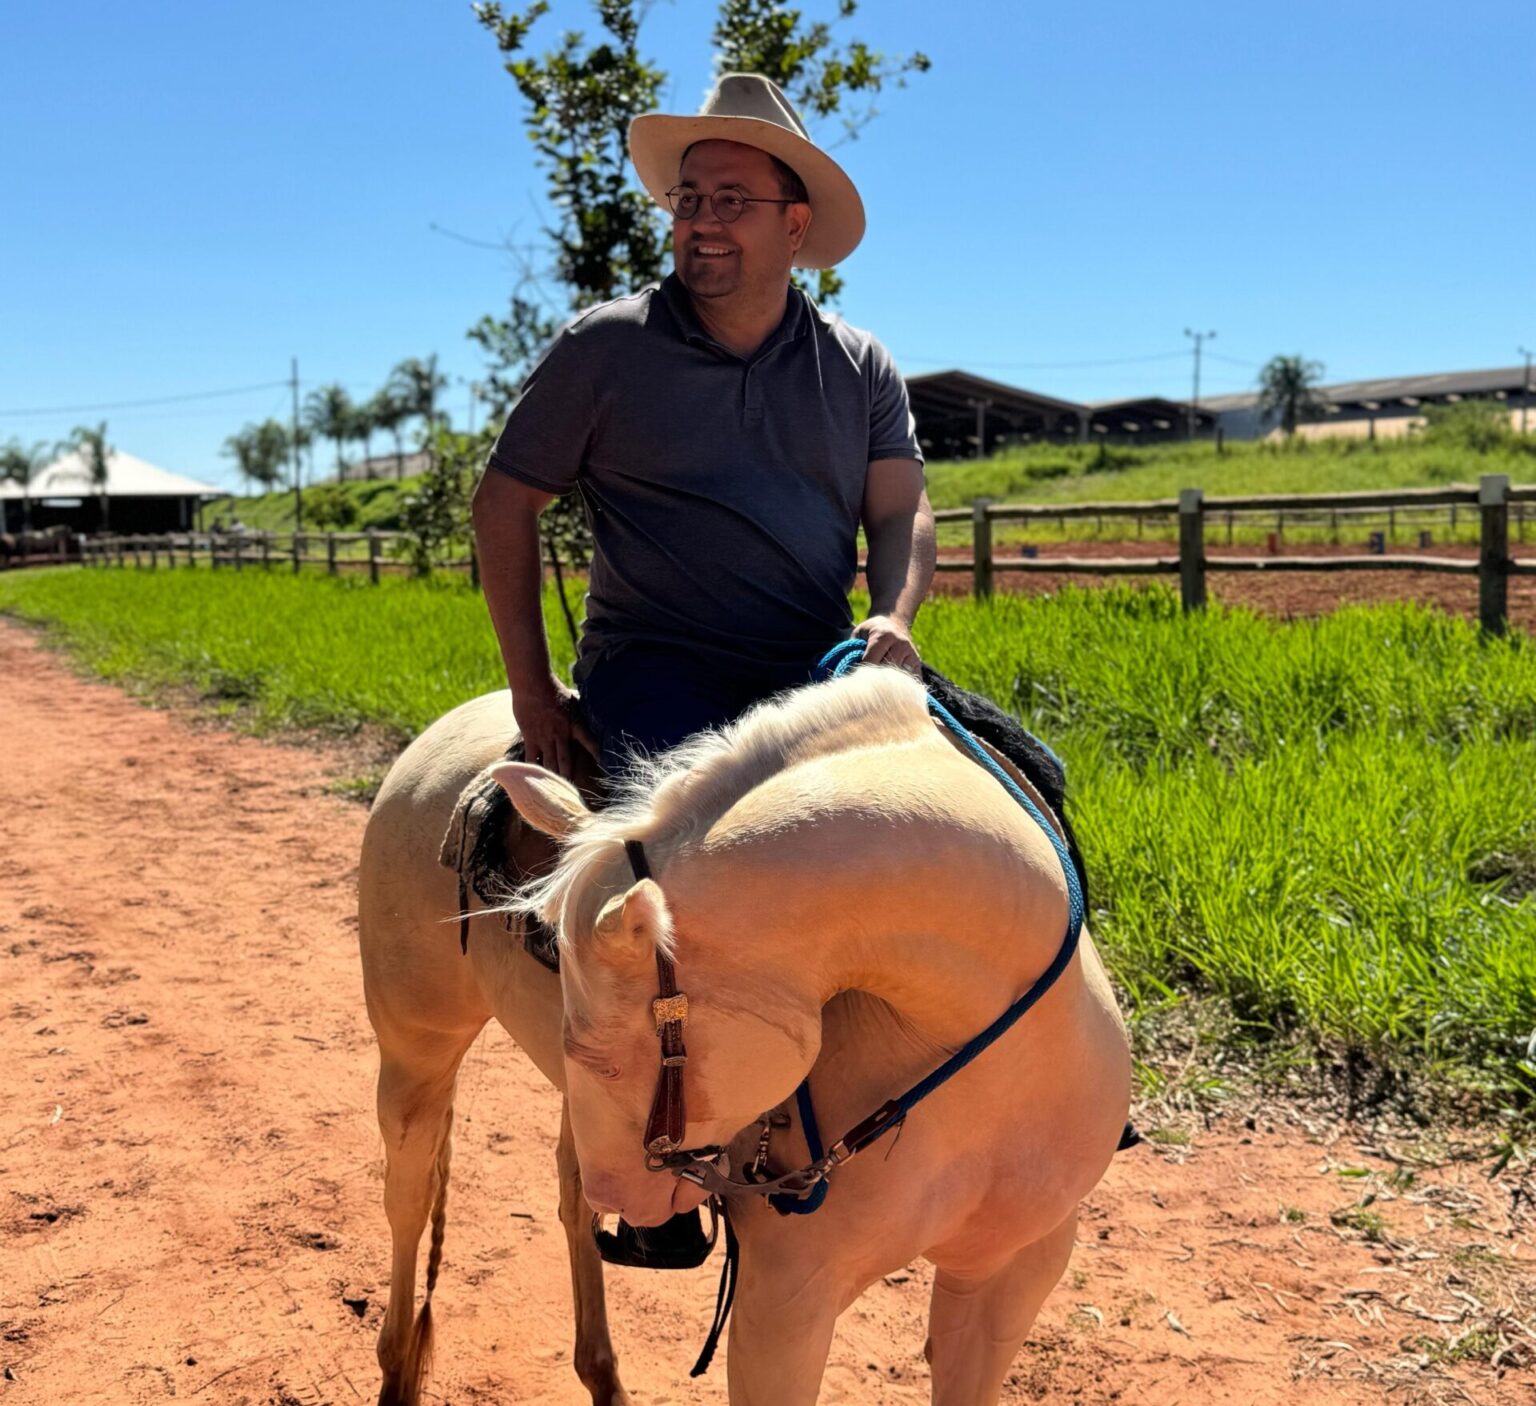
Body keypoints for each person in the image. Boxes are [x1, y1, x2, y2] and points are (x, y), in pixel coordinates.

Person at [472, 72, 934, 780]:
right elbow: (503, 502)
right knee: (705, 832)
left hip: (814, 663)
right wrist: (531, 695)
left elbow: (901, 509)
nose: (701, 221)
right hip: (655, 667)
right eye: (688, 200)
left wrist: (892, 618)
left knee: (996, 781)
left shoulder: (858, 363)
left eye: (732, 201)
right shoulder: (605, 348)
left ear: (795, 225)